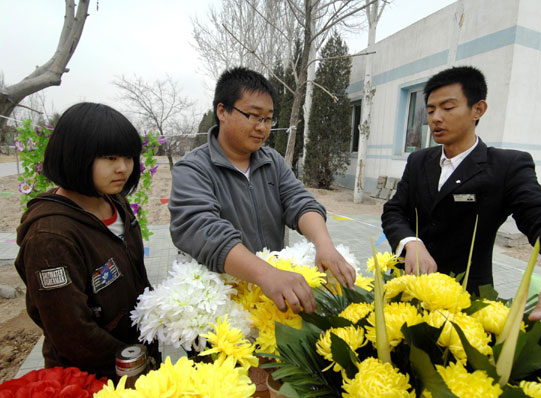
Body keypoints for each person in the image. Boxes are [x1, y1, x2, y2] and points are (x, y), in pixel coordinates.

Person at [382, 66, 541, 378]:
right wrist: (410, 242)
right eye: (430, 109)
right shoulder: (419, 161)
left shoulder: (506, 166)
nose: (435, 118)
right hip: (407, 294)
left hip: (469, 305)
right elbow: (394, 211)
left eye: (448, 107)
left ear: (478, 109)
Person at [169, 67, 355, 314]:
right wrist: (266, 274)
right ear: (222, 111)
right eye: (254, 116)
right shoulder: (192, 169)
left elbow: (299, 202)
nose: (262, 127)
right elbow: (203, 230)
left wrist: (325, 246)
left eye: (268, 119)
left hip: (274, 295)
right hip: (221, 303)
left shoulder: (272, 161)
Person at [15, 102, 158, 380]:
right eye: (109, 158)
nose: (123, 169)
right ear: (75, 156)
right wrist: (136, 365)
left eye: (128, 158)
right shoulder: (51, 236)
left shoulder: (113, 201)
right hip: (91, 378)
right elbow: (73, 334)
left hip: (136, 358)